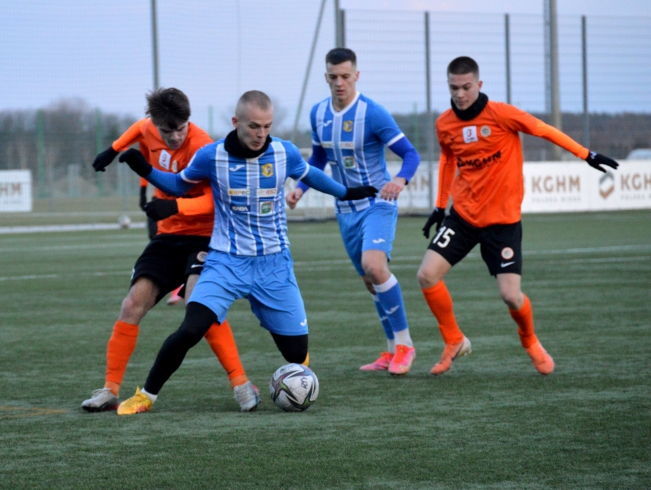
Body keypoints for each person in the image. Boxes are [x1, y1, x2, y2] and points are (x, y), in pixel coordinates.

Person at [114, 90, 378, 415]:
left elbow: (312, 175)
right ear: (236, 122)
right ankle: (146, 396)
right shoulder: (212, 156)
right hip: (225, 263)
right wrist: (144, 168)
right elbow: (178, 185)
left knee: (296, 352)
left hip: (274, 266)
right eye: (254, 126)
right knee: (191, 329)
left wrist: (348, 192)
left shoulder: (284, 153)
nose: (261, 134)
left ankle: (293, 376)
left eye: (266, 126)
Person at [417, 56, 619, 375]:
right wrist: (441, 206)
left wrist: (586, 154)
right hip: (464, 217)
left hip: (503, 222)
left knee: (510, 296)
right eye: (453, 88)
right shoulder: (444, 123)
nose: (460, 94)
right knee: (426, 275)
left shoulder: (502, 114)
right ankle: (453, 339)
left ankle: (529, 340)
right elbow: (447, 160)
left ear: (479, 85)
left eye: (466, 87)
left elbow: (545, 130)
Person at [84, 88, 255, 412]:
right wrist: (113, 149)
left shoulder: (203, 145)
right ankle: (109, 390)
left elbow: (217, 201)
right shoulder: (149, 127)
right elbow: (138, 129)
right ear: (156, 124)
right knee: (132, 304)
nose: (176, 136)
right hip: (167, 237)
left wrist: (175, 206)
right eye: (168, 130)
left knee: (198, 305)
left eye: (181, 128)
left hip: (205, 238)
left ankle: (241, 384)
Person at [286, 47, 421, 375]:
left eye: (346, 76)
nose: (340, 83)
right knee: (369, 280)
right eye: (333, 77)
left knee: (374, 266)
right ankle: (390, 351)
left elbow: (410, 154)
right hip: (345, 210)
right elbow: (318, 160)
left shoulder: (373, 113)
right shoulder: (318, 114)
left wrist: (400, 180)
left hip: (377, 203)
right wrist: (300, 189)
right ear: (326, 77)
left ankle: (405, 345)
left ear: (356, 76)